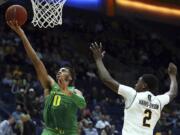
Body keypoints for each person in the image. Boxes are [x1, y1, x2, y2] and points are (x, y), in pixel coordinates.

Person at [7, 21, 86, 135]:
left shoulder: (75, 91)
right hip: (50, 131)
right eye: (59, 70)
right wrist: (22, 35)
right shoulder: (51, 85)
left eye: (63, 70)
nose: (59, 71)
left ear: (70, 77)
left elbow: (82, 104)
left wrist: (67, 92)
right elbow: (37, 62)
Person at [90, 42, 178, 135]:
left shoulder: (133, 94)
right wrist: (173, 76)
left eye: (138, 81)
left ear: (144, 85)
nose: (136, 84)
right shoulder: (158, 101)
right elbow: (173, 93)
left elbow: (106, 79)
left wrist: (98, 59)